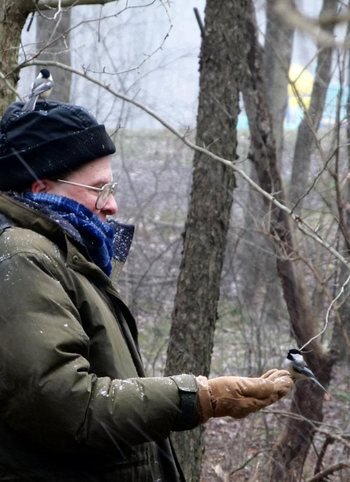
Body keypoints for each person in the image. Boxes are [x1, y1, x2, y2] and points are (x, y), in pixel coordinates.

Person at [0, 99, 293, 482]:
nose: (113, 206)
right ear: (41, 187)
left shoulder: (64, 254)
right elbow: (68, 407)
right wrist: (198, 397)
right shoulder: (23, 257)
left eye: (112, 187)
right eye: (98, 189)